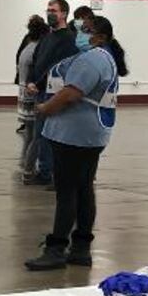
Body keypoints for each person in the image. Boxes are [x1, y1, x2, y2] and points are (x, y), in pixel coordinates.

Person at [25, 15, 119, 271]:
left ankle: (56, 248)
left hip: (74, 135)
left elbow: (70, 93)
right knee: (84, 189)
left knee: (67, 192)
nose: (80, 34)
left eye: (86, 30)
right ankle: (80, 248)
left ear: (100, 37)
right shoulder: (105, 57)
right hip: (90, 134)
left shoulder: (92, 59)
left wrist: (45, 108)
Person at [23, 0, 79, 185]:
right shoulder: (46, 37)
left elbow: (58, 66)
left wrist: (38, 83)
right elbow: (36, 61)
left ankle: (50, 172)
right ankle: (45, 170)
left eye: (53, 10)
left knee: (50, 134)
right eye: (48, 10)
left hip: (54, 94)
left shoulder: (69, 39)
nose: (50, 14)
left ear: (63, 14)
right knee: (40, 134)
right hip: (39, 92)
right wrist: (31, 81)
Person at [15, 13, 47, 158]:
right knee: (34, 133)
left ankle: (26, 159)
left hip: (23, 89)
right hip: (31, 91)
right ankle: (29, 163)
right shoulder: (36, 49)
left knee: (29, 131)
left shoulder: (26, 47)